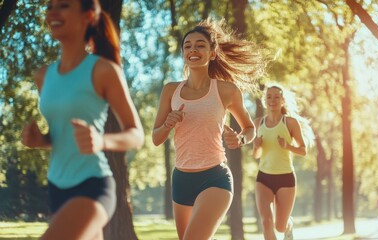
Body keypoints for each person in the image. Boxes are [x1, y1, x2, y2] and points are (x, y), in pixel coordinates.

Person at [21, 0, 144, 239]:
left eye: (64, 5)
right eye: (49, 6)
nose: (53, 12)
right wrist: (41, 140)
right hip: (57, 187)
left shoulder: (103, 70)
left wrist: (100, 141)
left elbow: (136, 134)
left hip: (93, 185)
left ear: (88, 16)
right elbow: (60, 137)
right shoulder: (43, 76)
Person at [152, 18, 266, 240]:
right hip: (181, 179)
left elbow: (249, 128)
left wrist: (241, 140)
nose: (193, 50)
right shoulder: (170, 91)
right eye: (188, 46)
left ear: (212, 53)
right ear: (183, 53)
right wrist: (168, 124)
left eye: (200, 45)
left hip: (215, 177)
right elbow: (156, 139)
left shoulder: (226, 91)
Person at [252, 85, 314, 240]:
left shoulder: (290, 123)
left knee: (279, 226)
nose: (272, 100)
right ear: (265, 100)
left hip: (285, 178)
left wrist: (288, 146)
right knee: (266, 222)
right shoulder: (258, 123)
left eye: (276, 97)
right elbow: (256, 155)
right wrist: (256, 146)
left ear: (282, 100)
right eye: (269, 97)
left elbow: (303, 150)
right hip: (263, 178)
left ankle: (288, 225)